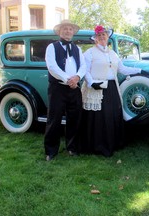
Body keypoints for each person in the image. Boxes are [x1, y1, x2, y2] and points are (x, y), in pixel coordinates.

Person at [81, 25, 147, 157]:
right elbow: (85, 70)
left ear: (107, 37)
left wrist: (140, 71)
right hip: (97, 87)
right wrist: (92, 83)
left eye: (104, 35)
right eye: (99, 35)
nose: (102, 37)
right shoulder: (89, 53)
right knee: (100, 117)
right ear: (95, 38)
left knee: (112, 114)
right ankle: (98, 145)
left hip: (112, 87)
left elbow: (122, 69)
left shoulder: (113, 54)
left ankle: (113, 143)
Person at [44, 20, 87, 161]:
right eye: (65, 29)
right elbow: (52, 66)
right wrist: (68, 79)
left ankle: (72, 147)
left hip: (74, 88)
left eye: (70, 29)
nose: (68, 31)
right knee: (54, 119)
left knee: (74, 119)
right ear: (59, 31)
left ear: (73, 32)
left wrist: (77, 77)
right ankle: (51, 151)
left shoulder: (78, 49)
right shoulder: (52, 47)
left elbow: (83, 66)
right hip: (58, 88)